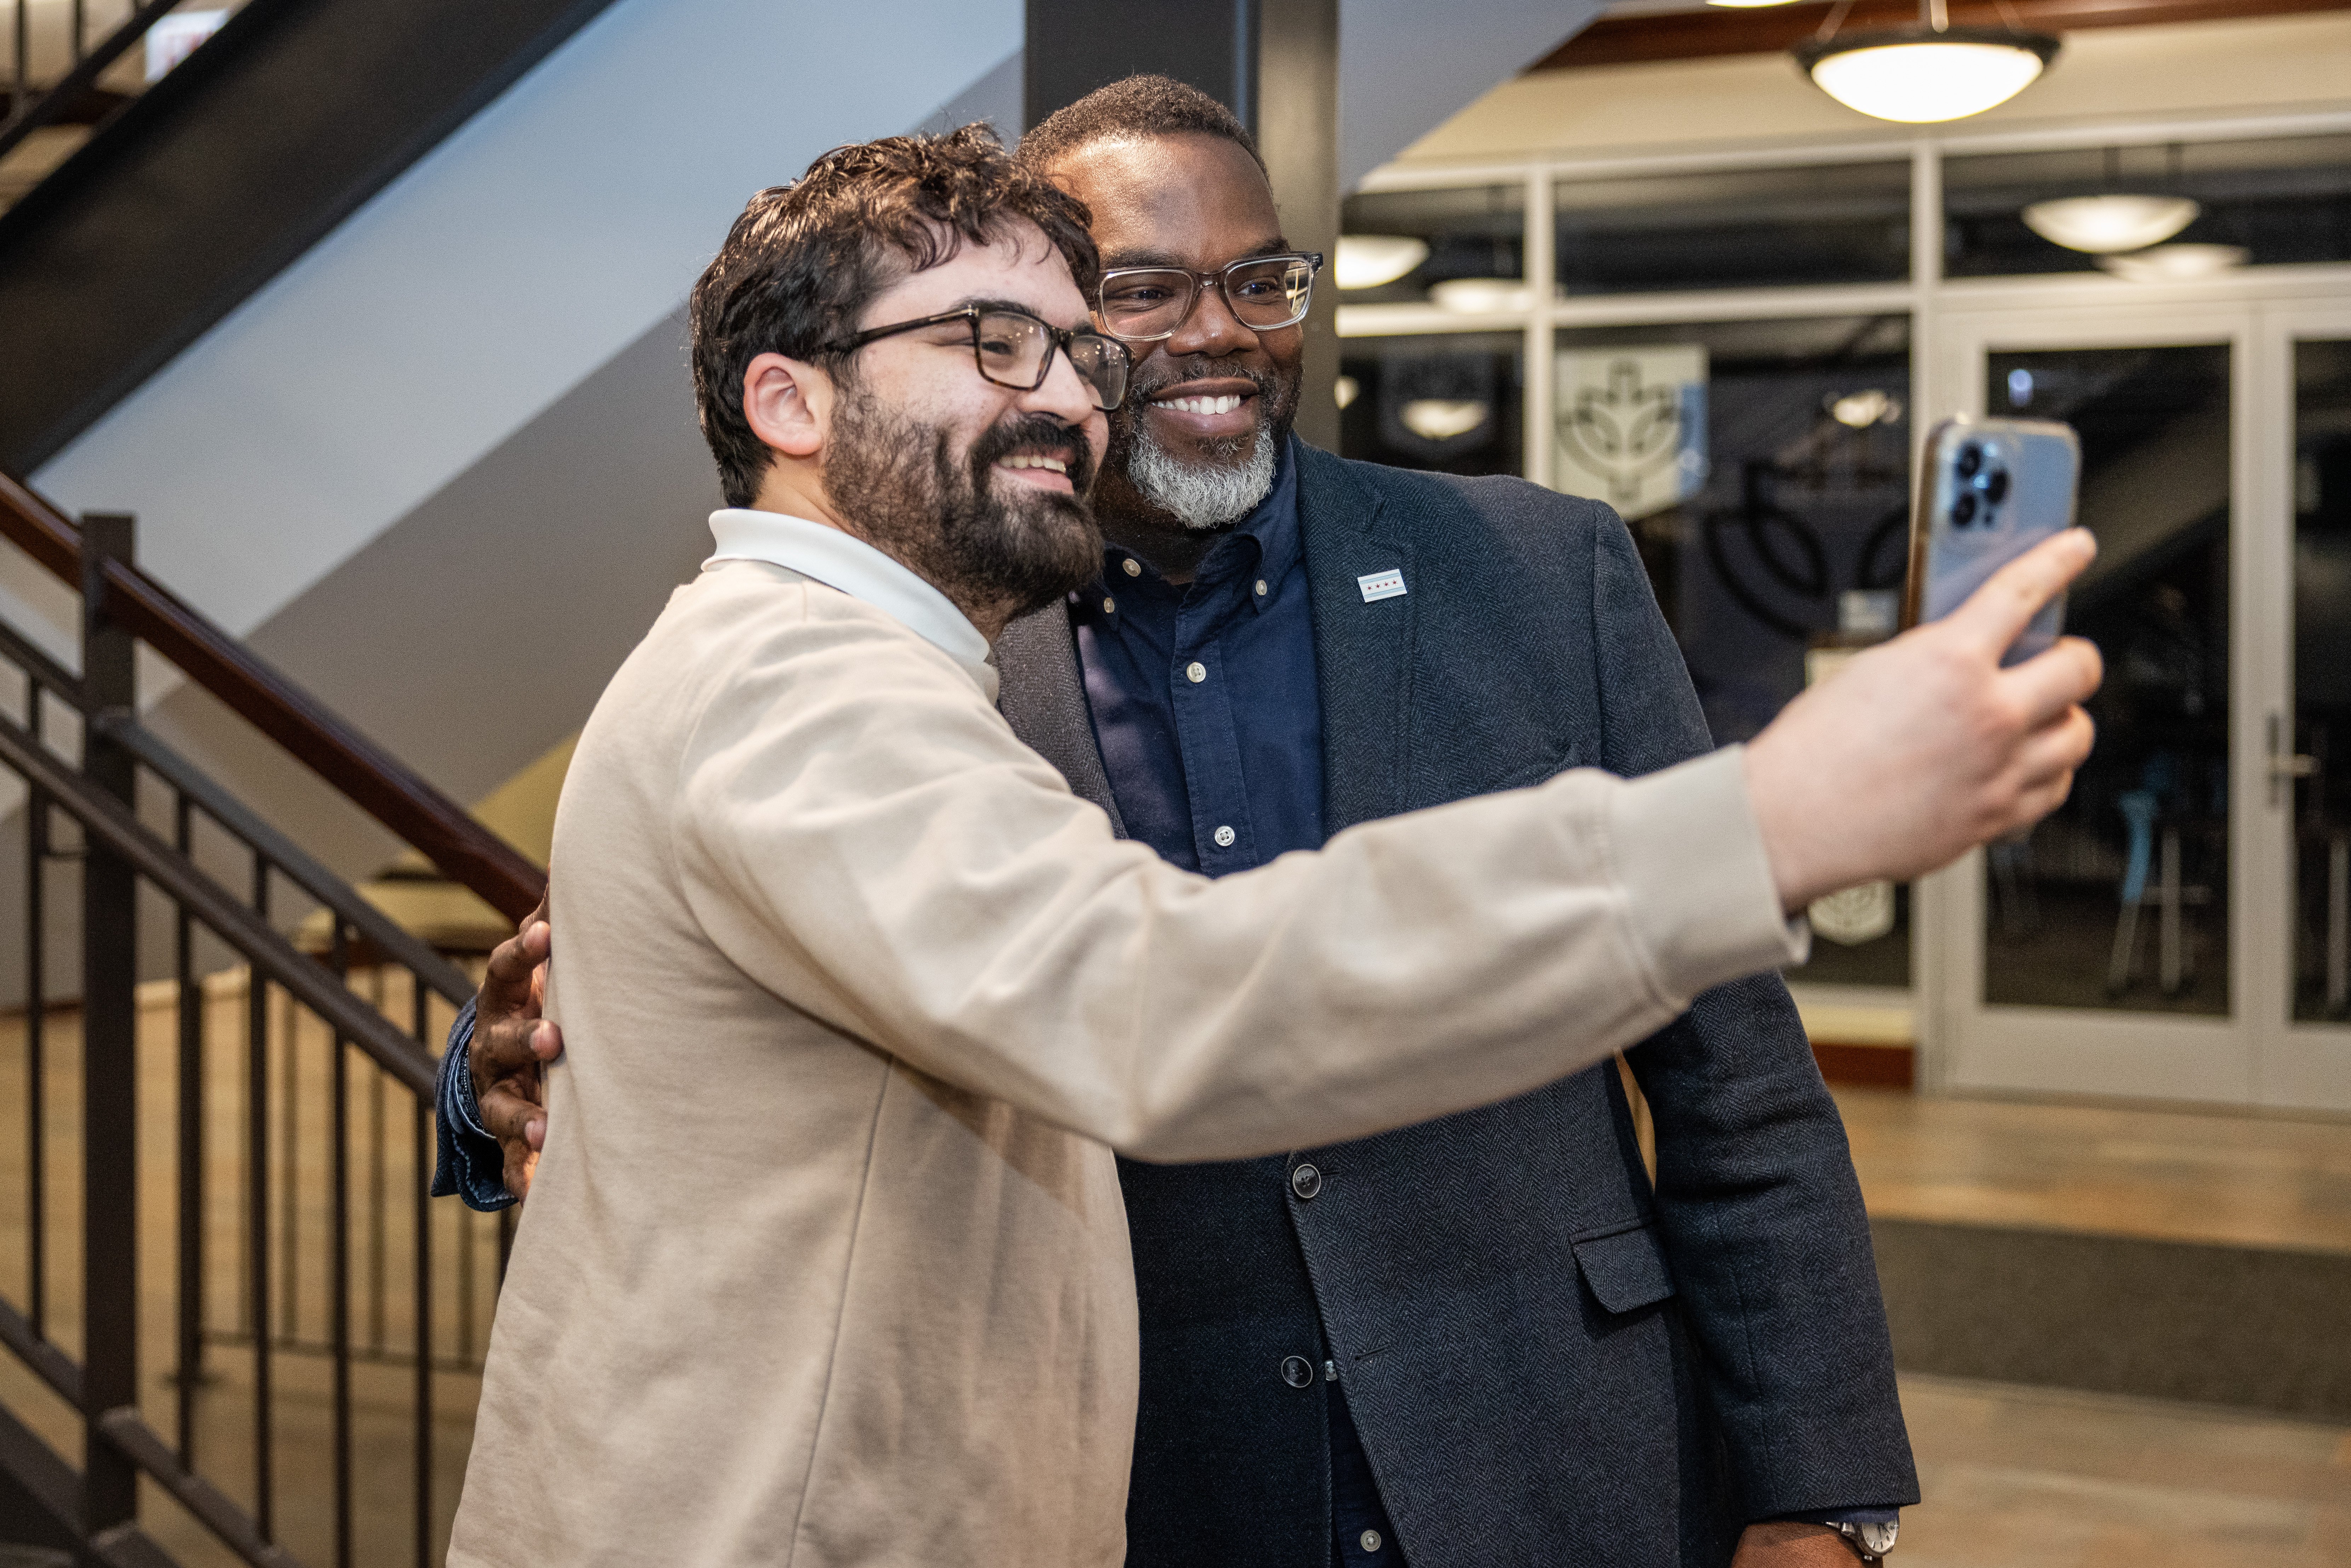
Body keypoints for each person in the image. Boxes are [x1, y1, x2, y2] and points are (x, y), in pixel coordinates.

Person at [440, 124, 2099, 1567]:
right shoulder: (849, 665)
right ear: (791, 401)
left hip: (1522, 1452)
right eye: (1084, 318)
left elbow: (1735, 1081)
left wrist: (1819, 1492)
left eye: (1249, 284)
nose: (1136, 363)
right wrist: (1775, 817)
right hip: (1113, 1480)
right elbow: (1142, 993)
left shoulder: (1527, 572)